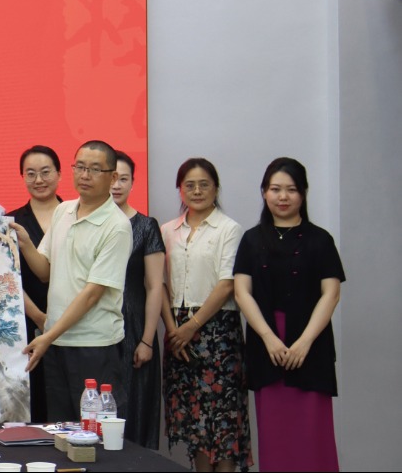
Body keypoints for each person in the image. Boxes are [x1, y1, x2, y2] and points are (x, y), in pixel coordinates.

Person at [234, 158, 344, 472]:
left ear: (303, 193)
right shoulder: (252, 239)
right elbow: (242, 292)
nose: (283, 197)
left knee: (313, 434)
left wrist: (304, 343)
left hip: (311, 344)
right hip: (268, 347)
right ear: (264, 192)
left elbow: (331, 294)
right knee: (275, 435)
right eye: (275, 189)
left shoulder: (320, 239)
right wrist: (269, 339)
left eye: (291, 190)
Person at [12, 140, 131, 422]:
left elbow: (92, 294)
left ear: (112, 177)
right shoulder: (63, 211)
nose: (85, 175)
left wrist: (48, 335)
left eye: (95, 169)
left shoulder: (117, 226)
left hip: (94, 345)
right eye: (80, 167)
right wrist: (25, 242)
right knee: (61, 426)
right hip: (57, 342)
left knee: (93, 430)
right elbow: (44, 271)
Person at [160, 158, 251, 472]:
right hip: (177, 333)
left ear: (216, 188)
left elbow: (227, 284)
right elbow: (159, 284)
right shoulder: (167, 230)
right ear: (180, 189)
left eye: (204, 185)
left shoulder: (229, 229)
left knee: (223, 418)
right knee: (194, 419)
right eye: (190, 185)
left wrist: (192, 326)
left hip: (218, 332)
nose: (197, 191)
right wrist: (173, 329)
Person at [108, 151, 164, 449]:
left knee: (134, 410)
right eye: (112, 178)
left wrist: (147, 340)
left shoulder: (146, 226)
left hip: (135, 327)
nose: (116, 185)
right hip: (98, 326)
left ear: (133, 182)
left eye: (124, 179)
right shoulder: (90, 223)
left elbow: (154, 287)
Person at [6, 145, 63, 424]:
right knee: (34, 399)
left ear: (59, 174)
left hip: (72, 318)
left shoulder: (76, 216)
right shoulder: (12, 221)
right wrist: (39, 317)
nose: (39, 180)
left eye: (45, 172)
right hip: (27, 322)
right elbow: (8, 277)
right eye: (30, 174)